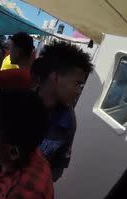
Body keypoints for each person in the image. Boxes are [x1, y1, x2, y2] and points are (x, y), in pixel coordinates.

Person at [32, 41, 93, 182]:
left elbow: (58, 167)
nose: (79, 91)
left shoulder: (68, 121)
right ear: (55, 77)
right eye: (77, 83)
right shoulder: (16, 106)